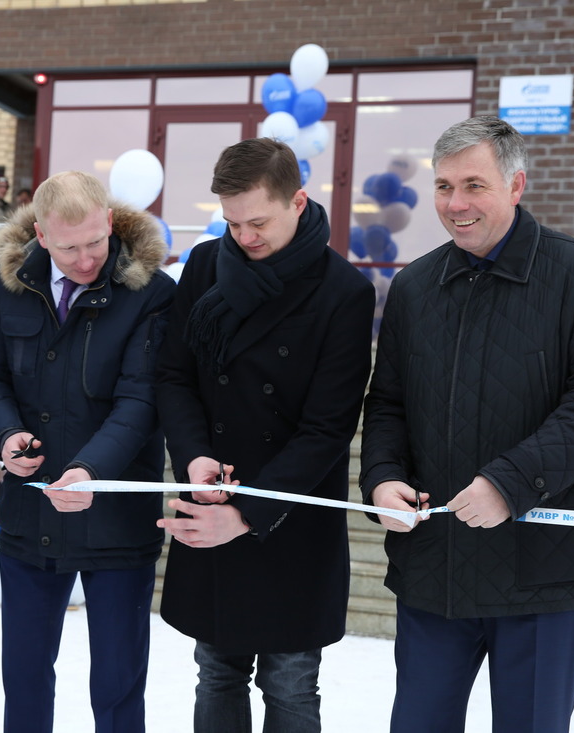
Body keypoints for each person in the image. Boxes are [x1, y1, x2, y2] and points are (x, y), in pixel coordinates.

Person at [360, 115, 574, 732]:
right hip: (437, 568)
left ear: (516, 186)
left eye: (473, 185)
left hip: (547, 572)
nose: (455, 204)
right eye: (442, 186)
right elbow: (388, 404)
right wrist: (381, 478)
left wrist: (511, 484)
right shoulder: (413, 286)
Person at [155, 137, 376, 732]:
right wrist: (195, 456)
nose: (244, 237)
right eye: (232, 223)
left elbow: (328, 429)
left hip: (290, 517)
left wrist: (249, 512)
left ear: (298, 201)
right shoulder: (205, 266)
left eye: (258, 221)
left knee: (290, 682)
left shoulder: (344, 293)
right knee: (216, 671)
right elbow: (174, 376)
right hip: (212, 496)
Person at [0, 170, 175, 733]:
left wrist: (90, 469)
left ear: (110, 222)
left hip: (116, 520)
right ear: (40, 234)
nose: (85, 259)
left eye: (94, 242)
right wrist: (6, 435)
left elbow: (141, 402)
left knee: (117, 683)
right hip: (30, 516)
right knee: (26, 677)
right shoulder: (9, 284)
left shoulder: (151, 293)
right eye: (68, 248)